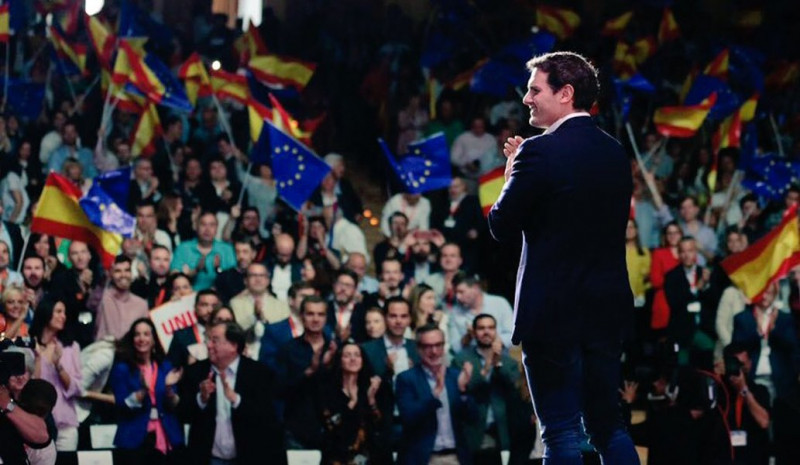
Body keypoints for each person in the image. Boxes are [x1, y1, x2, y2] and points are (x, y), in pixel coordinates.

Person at [487, 52, 639, 464]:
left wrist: (512, 172)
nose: (526, 99)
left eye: (535, 89)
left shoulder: (538, 152)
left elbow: (501, 224)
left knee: (561, 432)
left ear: (566, 93)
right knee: (609, 428)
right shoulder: (615, 154)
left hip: (553, 314)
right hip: (606, 312)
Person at [179, 321, 287, 465]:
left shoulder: (259, 374)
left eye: (215, 340)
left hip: (248, 458)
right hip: (208, 459)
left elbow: (267, 418)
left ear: (233, 346)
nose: (208, 345)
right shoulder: (195, 372)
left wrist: (236, 399)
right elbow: (183, 414)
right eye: (208, 339)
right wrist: (201, 399)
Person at [395, 324, 475, 465]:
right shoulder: (406, 379)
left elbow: (472, 418)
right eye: (427, 346)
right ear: (418, 349)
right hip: (424, 458)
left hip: (456, 457)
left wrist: (463, 391)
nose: (434, 351)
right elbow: (408, 417)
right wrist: (435, 395)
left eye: (438, 345)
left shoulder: (455, 376)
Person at [110, 318, 185, 465]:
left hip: (166, 433)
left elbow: (174, 403)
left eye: (146, 334)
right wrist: (142, 392)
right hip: (135, 436)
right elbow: (121, 405)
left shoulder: (165, 366)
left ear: (153, 339)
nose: (141, 338)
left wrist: (169, 388)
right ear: (132, 339)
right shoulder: (122, 369)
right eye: (137, 334)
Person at [453, 314, 522, 465]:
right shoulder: (461, 359)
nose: (486, 332)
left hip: (503, 429)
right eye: (481, 328)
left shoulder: (508, 361)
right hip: (473, 428)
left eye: (491, 328)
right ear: (474, 332)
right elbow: (463, 392)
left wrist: (497, 365)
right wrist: (486, 369)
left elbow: (515, 392)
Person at [277, 295, 337, 450]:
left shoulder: (337, 349)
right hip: (297, 429)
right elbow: (279, 390)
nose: (315, 319)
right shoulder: (289, 349)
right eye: (310, 314)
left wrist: (329, 367)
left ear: (326, 318)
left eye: (320, 314)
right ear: (301, 316)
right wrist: (309, 371)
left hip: (333, 430)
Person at [319, 342, 390, 464]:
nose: (353, 359)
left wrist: (371, 399)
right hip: (337, 458)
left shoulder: (373, 388)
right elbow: (332, 429)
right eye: (347, 355)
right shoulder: (328, 391)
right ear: (340, 361)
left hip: (368, 458)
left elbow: (380, 426)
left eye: (357, 355)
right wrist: (352, 402)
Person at [30, 299, 82, 452]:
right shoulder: (30, 346)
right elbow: (30, 389)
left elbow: (77, 388)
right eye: (58, 312)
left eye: (64, 312)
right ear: (46, 313)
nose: (63, 316)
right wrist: (39, 359)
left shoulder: (71, 347)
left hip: (66, 426)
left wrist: (58, 366)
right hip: (37, 426)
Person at [0, 350, 51, 464]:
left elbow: (41, 436)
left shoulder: (34, 404)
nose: (19, 377)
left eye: (23, 371)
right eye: (13, 372)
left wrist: (7, 404)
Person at [171, 211, 236, 291]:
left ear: (216, 228)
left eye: (212, 225)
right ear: (196, 227)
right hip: (187, 296)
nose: (207, 229)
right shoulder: (183, 248)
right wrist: (195, 270)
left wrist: (219, 270)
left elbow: (234, 280)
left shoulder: (227, 249)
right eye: (203, 224)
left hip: (219, 296)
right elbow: (174, 278)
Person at [449, 273, 513, 353]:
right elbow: (455, 347)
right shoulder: (454, 312)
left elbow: (512, 334)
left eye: (461, 292)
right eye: (456, 293)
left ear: (475, 288)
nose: (457, 297)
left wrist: (493, 340)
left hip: (500, 357)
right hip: (469, 361)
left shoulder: (499, 303)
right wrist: (468, 337)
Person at [95, 256, 150, 341]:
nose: (123, 275)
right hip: (104, 350)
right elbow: (91, 302)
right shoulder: (103, 297)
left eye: (127, 270)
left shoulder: (142, 305)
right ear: (111, 274)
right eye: (118, 271)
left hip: (131, 352)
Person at [167, 290, 221, 367]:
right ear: (195, 307)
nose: (210, 310)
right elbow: (170, 364)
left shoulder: (226, 333)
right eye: (204, 305)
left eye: (214, 306)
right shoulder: (181, 336)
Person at [650, 222, 683, 332]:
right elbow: (655, 281)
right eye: (669, 233)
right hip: (664, 303)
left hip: (683, 304)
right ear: (665, 236)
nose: (673, 236)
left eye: (676, 233)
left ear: (681, 234)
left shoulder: (687, 253)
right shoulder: (659, 253)